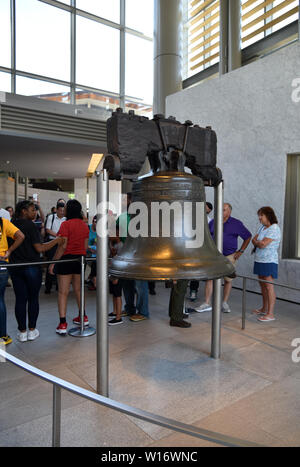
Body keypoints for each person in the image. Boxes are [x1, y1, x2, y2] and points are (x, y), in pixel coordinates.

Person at [10, 201, 63, 342]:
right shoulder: (30, 226)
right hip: (32, 266)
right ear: (23, 211)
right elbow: (40, 248)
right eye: (33, 210)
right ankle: (32, 330)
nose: (35, 213)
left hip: (15, 267)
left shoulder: (11, 223)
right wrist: (56, 241)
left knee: (20, 300)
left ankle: (22, 332)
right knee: (33, 298)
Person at [196, 203, 252, 314]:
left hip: (230, 256)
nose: (221, 212)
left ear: (229, 212)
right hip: (214, 255)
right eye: (220, 210)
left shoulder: (236, 223)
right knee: (210, 278)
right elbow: (206, 236)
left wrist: (240, 251)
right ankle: (207, 303)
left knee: (228, 280)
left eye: (224, 210)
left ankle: (224, 303)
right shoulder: (213, 222)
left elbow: (248, 236)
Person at [49, 199, 89, 335]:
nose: (63, 209)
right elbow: (85, 246)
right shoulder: (84, 225)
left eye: (65, 207)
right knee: (79, 290)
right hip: (80, 260)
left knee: (63, 292)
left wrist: (53, 262)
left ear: (69, 210)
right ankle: (83, 316)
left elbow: (62, 246)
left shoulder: (65, 225)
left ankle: (62, 324)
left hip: (66, 260)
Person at [252, 206, 281, 322]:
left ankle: (270, 314)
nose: (259, 218)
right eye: (259, 215)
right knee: (263, 286)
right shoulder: (262, 228)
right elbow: (253, 240)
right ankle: (264, 308)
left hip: (269, 261)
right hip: (259, 260)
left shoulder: (274, 228)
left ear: (268, 215)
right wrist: (258, 242)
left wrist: (258, 242)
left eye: (261, 215)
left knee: (269, 287)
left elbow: (263, 244)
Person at [0, 217, 24, 345]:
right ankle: (2, 336)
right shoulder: (3, 222)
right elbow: (20, 236)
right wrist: (8, 251)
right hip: (2, 262)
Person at [189, 202, 214, 301]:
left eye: (206, 208)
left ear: (209, 210)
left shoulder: (210, 221)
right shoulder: (192, 218)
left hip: (202, 248)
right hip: (191, 247)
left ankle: (193, 291)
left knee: (197, 270)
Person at [44, 202, 66, 294]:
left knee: (61, 265)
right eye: (60, 210)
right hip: (52, 243)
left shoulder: (66, 219)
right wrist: (58, 236)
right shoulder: (51, 217)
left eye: (63, 210)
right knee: (51, 262)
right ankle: (48, 287)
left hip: (62, 243)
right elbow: (48, 229)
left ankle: (58, 286)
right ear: (56, 210)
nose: (61, 212)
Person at [108, 237, 124, 326]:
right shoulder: (112, 244)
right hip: (112, 271)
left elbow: (120, 260)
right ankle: (115, 312)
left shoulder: (121, 245)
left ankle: (118, 317)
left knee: (117, 294)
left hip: (117, 272)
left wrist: (117, 276)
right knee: (114, 293)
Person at [87, 215, 97, 291]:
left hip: (97, 252)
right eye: (95, 222)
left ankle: (93, 281)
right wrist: (90, 248)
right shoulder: (87, 228)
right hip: (88, 251)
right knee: (94, 263)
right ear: (93, 221)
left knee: (95, 263)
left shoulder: (101, 230)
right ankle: (93, 281)